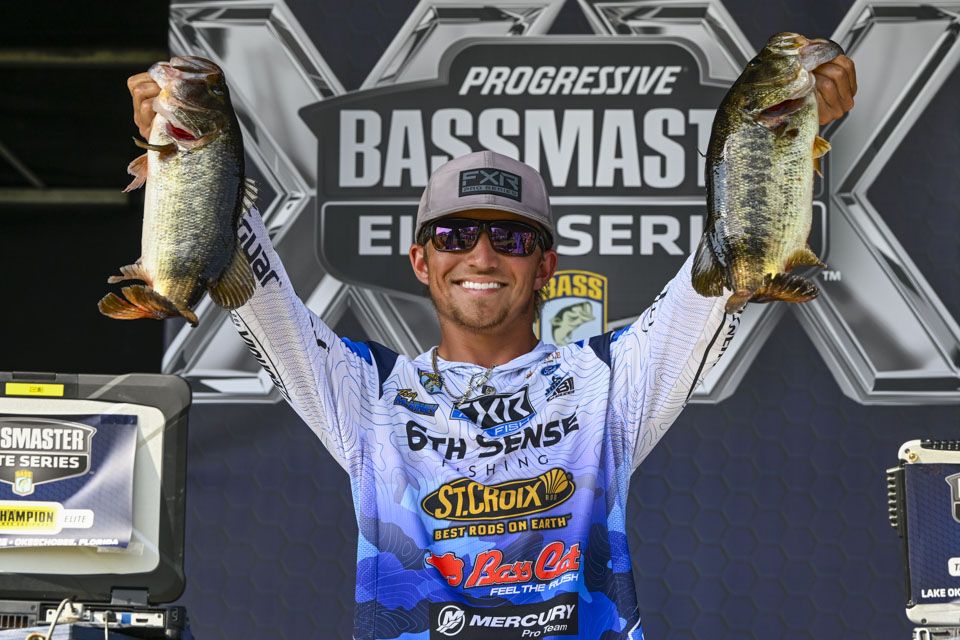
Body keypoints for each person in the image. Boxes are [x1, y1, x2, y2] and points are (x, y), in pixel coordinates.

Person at [128, 52, 856, 640]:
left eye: (510, 237)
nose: (481, 255)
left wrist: (784, 131)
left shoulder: (607, 381)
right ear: (422, 261)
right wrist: (189, 154)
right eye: (455, 234)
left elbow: (725, 264)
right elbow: (261, 298)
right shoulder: (369, 396)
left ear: (546, 266)